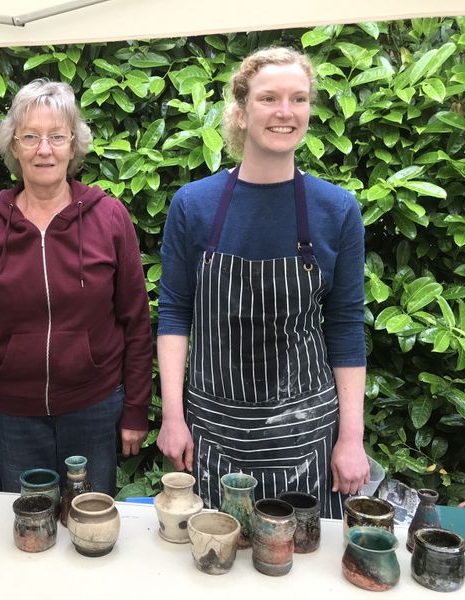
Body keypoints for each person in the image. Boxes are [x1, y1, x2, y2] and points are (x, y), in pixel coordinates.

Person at [156, 47, 370, 519]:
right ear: (241, 109)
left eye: (299, 99)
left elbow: (346, 328)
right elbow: (174, 313)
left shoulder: (337, 210)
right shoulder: (194, 205)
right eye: (269, 97)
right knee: (214, 561)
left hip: (307, 435)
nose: (285, 112)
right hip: (212, 431)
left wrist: (351, 438)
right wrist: (173, 416)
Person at [0, 79, 152, 495]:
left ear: (72, 145)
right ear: (13, 146)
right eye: (30, 137)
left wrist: (136, 409)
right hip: (12, 416)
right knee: (30, 530)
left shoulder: (110, 218)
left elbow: (136, 321)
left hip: (94, 407)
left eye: (56, 137)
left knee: (90, 528)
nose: (44, 149)